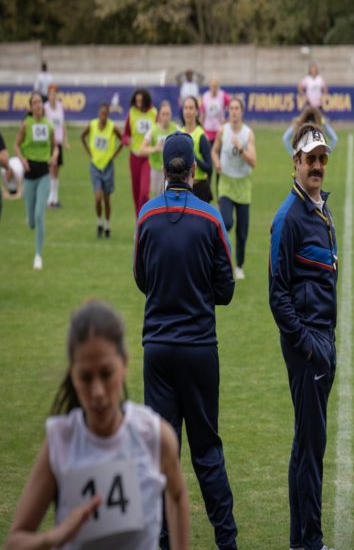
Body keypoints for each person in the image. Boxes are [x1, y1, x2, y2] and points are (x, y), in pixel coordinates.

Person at [5, 300, 190, 550]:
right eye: (85, 377)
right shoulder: (60, 441)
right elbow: (15, 541)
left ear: (124, 364)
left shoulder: (154, 436)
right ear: (72, 374)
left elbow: (177, 495)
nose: (98, 392)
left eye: (106, 373)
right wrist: (57, 537)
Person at [134, 132, 237, 550]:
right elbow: (226, 289)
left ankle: (162, 541)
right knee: (207, 450)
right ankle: (226, 541)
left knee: (163, 452)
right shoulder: (210, 218)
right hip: (198, 348)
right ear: (195, 170)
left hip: (158, 348)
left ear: (164, 170)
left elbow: (141, 278)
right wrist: (198, 290)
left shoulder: (146, 215)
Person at [269, 123, 337, 550]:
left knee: (306, 444)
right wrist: (308, 345)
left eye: (321, 159)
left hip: (322, 340)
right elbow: (277, 294)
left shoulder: (319, 208)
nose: (316, 165)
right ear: (295, 161)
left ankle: (300, 542)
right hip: (308, 347)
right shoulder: (288, 217)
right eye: (309, 158)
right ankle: (311, 542)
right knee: (312, 449)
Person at [212, 97, 256, 281]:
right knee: (227, 222)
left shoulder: (248, 134)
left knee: (242, 231)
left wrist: (241, 148)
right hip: (226, 183)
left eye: (237, 108)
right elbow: (214, 151)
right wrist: (216, 163)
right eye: (231, 108)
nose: (234, 111)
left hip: (243, 186)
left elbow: (253, 162)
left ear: (242, 112)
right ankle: (218, 254)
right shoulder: (223, 130)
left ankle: (239, 266)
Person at [14, 91, 59, 270]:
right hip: (29, 175)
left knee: (40, 215)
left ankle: (38, 255)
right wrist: (22, 160)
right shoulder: (26, 124)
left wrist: (54, 156)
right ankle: (30, 219)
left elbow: (55, 147)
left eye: (40, 102)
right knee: (31, 222)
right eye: (35, 103)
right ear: (31, 107)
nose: (38, 105)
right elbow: (16, 145)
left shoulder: (48, 125)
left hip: (44, 174)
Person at [81, 103, 124, 238]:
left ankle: (107, 224)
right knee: (98, 197)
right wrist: (89, 152)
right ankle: (99, 222)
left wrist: (114, 155)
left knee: (106, 198)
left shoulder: (112, 127)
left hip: (107, 166)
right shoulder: (92, 125)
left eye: (105, 114)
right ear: (98, 113)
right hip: (95, 165)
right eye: (101, 114)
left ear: (108, 115)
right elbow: (82, 136)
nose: (103, 117)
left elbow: (123, 140)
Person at [122, 88, 157, 217]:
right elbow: (125, 134)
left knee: (144, 192)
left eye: (141, 101)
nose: (138, 104)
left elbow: (159, 130)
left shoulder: (154, 113)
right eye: (136, 101)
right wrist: (127, 140)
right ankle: (139, 221)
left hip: (148, 157)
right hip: (134, 157)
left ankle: (147, 216)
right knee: (136, 193)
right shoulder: (132, 113)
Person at [139, 100, 179, 197]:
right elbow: (141, 150)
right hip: (157, 170)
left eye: (168, 114)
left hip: (172, 171)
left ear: (171, 115)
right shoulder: (153, 131)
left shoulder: (176, 129)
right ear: (159, 115)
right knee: (158, 197)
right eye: (163, 114)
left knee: (170, 197)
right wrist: (155, 149)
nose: (165, 117)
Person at [180, 95, 213, 203]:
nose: (188, 111)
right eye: (186, 108)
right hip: (182, 188)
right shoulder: (179, 134)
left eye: (191, 108)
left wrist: (194, 157)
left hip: (199, 188)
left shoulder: (201, 135)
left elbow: (209, 168)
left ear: (196, 111)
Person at [44, 84, 70, 208]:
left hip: (58, 142)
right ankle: (50, 197)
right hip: (49, 142)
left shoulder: (59, 106)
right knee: (51, 168)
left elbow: (62, 124)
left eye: (54, 93)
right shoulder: (45, 108)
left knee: (57, 170)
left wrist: (65, 140)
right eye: (51, 93)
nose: (53, 96)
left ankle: (55, 197)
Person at [200, 76, 231, 147]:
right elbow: (202, 114)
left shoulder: (223, 96)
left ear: (218, 86)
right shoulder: (205, 96)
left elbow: (231, 107)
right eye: (212, 86)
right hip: (208, 130)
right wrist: (201, 128)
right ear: (210, 86)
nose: (214, 88)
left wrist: (227, 121)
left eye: (216, 86)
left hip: (220, 130)